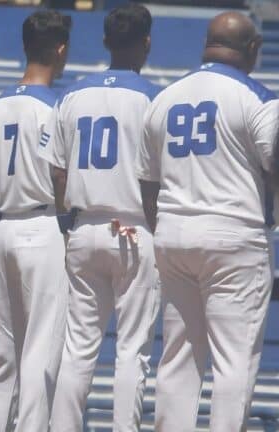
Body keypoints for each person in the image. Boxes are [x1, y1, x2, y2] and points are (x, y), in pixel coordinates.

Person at [138, 12, 279, 431]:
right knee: (234, 359)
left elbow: (148, 183)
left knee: (179, 356)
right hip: (234, 233)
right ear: (252, 49)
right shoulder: (258, 98)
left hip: (174, 231)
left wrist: (163, 229)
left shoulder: (165, 98)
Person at [39, 4, 160, 431]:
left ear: (106, 41)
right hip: (135, 226)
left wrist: (66, 222)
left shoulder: (72, 94)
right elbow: (156, 177)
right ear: (146, 42)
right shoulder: (153, 96)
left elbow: (57, 171)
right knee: (132, 349)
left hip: (84, 224)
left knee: (78, 346)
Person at [0, 10, 72, 432]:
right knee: (41, 348)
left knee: (3, 349)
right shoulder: (56, 106)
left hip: (3, 227)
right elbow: (60, 175)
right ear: (61, 50)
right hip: (42, 224)